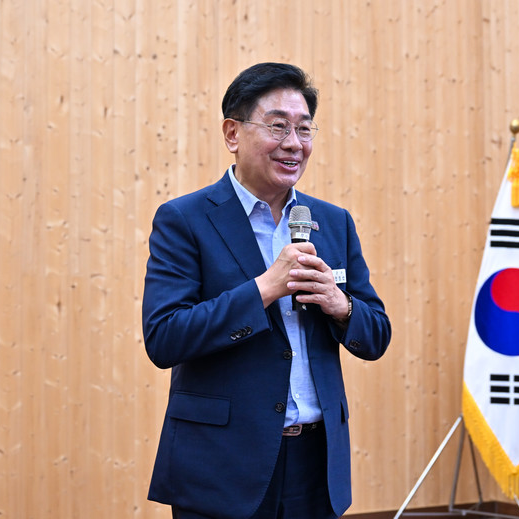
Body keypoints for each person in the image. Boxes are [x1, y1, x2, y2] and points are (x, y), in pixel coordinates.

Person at [142, 62, 391, 519]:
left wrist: (342, 307)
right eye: (278, 127)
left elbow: (376, 335)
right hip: (221, 465)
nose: (294, 143)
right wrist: (263, 289)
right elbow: (164, 337)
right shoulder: (185, 220)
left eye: (304, 129)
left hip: (316, 466)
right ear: (232, 134)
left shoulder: (333, 222)